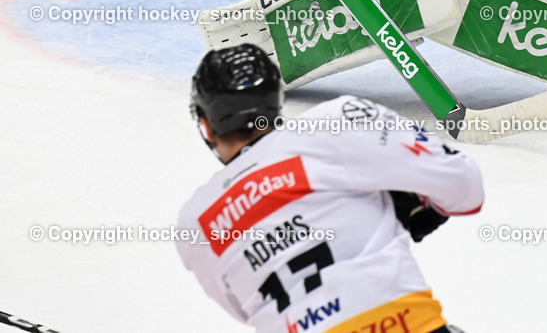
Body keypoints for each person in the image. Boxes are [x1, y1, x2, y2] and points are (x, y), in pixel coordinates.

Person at [175, 44, 482, 333]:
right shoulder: (335, 122)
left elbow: (244, 309)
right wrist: (420, 212)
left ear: (207, 125)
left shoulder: (196, 222)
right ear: (275, 100)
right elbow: (465, 184)